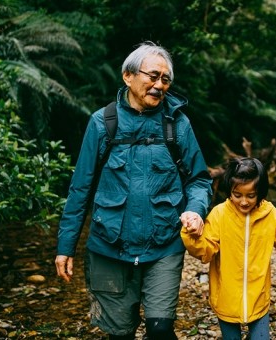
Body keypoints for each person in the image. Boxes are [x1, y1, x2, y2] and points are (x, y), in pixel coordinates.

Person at [55, 41, 213, 340]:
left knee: (161, 330)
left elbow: (200, 180)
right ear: (128, 76)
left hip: (164, 245)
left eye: (165, 80)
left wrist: (195, 209)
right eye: (152, 76)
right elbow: (81, 189)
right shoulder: (102, 123)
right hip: (109, 247)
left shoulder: (177, 124)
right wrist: (66, 247)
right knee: (119, 334)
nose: (159, 85)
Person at [181, 157, 276, 339]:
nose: (243, 202)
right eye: (237, 195)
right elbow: (205, 251)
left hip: (258, 297)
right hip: (226, 297)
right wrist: (192, 235)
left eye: (250, 195)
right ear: (229, 191)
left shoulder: (269, 213)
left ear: (261, 192)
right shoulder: (219, 214)